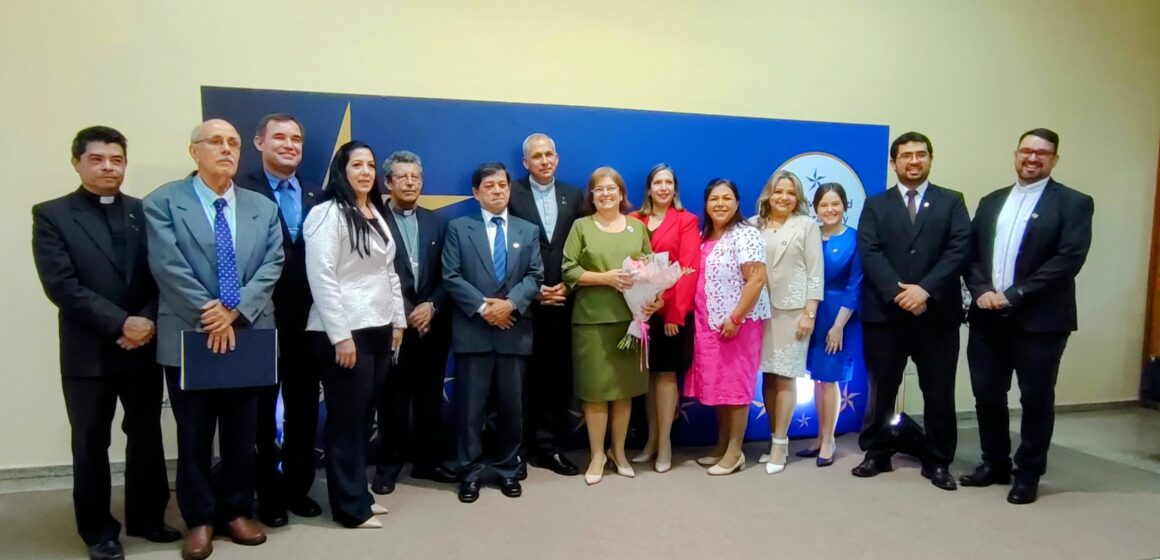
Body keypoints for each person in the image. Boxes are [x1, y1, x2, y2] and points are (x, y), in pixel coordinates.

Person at [32, 126, 178, 560]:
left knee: (147, 435)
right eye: (97, 159)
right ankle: (98, 531)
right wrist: (120, 324)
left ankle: (149, 518)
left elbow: (163, 274)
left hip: (144, 346)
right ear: (77, 162)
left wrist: (146, 321)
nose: (108, 167)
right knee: (91, 441)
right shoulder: (52, 214)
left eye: (116, 159)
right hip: (88, 352)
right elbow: (61, 285)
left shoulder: (143, 211)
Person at [144, 119, 283, 559]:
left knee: (243, 434)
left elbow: (273, 262)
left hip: (248, 332)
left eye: (234, 143)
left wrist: (235, 311)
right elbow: (167, 265)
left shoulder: (262, 206)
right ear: (194, 152)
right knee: (194, 436)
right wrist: (213, 314)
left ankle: (236, 510)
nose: (226, 149)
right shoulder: (163, 202)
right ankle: (199, 518)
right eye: (216, 142)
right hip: (190, 334)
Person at [961, 128, 1094, 504]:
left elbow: (1068, 261)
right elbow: (971, 255)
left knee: (1036, 398)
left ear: (1054, 159)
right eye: (1026, 151)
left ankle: (1029, 473)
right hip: (987, 317)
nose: (1032, 159)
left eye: (1042, 153)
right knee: (987, 393)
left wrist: (1014, 295)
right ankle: (995, 462)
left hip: (1040, 321)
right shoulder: (991, 202)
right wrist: (982, 291)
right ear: (1015, 154)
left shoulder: (1073, 203)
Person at [854, 131, 971, 491]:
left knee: (938, 390)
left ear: (930, 159)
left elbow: (959, 249)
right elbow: (869, 251)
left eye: (921, 154)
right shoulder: (876, 205)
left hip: (936, 315)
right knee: (882, 388)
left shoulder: (952, 201)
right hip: (885, 315)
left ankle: (937, 461)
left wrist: (925, 290)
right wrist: (897, 291)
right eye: (906, 155)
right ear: (894, 163)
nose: (914, 161)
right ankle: (877, 451)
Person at [303, 141, 403, 528]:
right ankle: (349, 508)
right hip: (344, 332)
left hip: (379, 328)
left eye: (371, 165)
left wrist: (398, 322)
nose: (365, 171)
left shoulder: (375, 212)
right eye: (356, 164)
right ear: (341, 170)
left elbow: (387, 272)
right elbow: (322, 276)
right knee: (345, 422)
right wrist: (340, 336)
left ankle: (359, 492)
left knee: (363, 419)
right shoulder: (326, 214)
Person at [235, 113, 323, 527]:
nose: (289, 145)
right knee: (260, 415)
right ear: (259, 142)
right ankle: (267, 495)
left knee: (303, 412)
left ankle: (297, 490)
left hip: (307, 323)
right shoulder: (239, 191)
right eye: (280, 137)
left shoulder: (317, 195)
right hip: (257, 320)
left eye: (296, 139)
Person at [443, 162, 544, 503]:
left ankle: (507, 469)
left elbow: (535, 276)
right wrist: (487, 309)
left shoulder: (526, 230)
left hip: (514, 331)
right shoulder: (459, 228)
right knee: (470, 409)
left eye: (502, 185)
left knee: (511, 408)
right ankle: (469, 472)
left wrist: (510, 305)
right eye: (489, 186)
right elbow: (451, 276)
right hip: (475, 331)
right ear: (476, 193)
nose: (497, 191)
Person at [562, 166, 660, 485]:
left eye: (611, 189)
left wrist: (654, 295)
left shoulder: (636, 228)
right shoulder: (581, 227)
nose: (605, 194)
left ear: (621, 193)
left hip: (631, 322)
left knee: (623, 392)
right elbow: (569, 270)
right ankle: (596, 455)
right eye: (599, 189)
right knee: (595, 392)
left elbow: (652, 268)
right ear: (591, 196)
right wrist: (605, 278)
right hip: (591, 322)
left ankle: (619, 452)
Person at [372, 150, 458, 494]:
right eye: (402, 177)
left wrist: (431, 306)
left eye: (416, 177)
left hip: (431, 326)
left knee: (428, 399)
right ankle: (388, 465)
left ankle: (427, 462)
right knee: (391, 400)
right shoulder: (372, 220)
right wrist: (406, 311)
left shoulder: (439, 222)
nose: (410, 182)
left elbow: (449, 273)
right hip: (391, 326)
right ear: (388, 182)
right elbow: (373, 273)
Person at [507, 132, 584, 477]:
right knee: (521, 379)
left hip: (564, 300)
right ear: (525, 163)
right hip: (523, 303)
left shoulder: (574, 194)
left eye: (548, 154)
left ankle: (549, 446)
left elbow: (583, 245)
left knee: (556, 377)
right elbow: (503, 249)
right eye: (536, 156)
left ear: (557, 157)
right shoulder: (511, 193)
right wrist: (533, 290)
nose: (543, 160)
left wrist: (567, 286)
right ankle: (517, 447)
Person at [683, 178, 770, 476]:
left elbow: (757, 279)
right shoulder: (704, 237)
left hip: (737, 326)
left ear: (737, 203)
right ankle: (722, 445)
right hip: (709, 325)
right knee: (719, 388)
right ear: (705, 204)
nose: (720, 204)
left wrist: (735, 318)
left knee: (735, 388)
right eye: (713, 199)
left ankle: (735, 453)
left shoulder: (745, 235)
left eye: (726, 198)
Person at [628, 164, 700, 473]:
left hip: (671, 314)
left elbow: (688, 268)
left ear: (675, 188)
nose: (663, 187)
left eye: (669, 182)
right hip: (641, 313)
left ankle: (666, 443)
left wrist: (673, 311)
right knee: (649, 377)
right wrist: (640, 304)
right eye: (657, 182)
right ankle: (651, 441)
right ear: (648, 188)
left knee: (667, 376)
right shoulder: (634, 220)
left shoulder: (687, 220)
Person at [755, 170, 823, 474]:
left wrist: (810, 313)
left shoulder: (806, 226)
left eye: (790, 193)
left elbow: (815, 272)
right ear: (769, 193)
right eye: (778, 191)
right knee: (767, 376)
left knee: (785, 375)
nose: (783, 197)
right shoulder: (753, 225)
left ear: (798, 198)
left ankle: (781, 445)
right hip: (759, 311)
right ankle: (772, 438)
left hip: (793, 312)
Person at [801, 183, 863, 467]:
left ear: (845, 206)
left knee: (830, 379)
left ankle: (829, 439)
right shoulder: (811, 236)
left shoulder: (854, 239)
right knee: (817, 378)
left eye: (835, 204)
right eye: (824, 205)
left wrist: (838, 326)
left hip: (838, 317)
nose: (830, 210)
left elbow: (855, 286)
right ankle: (818, 436)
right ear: (815, 209)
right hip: (810, 313)